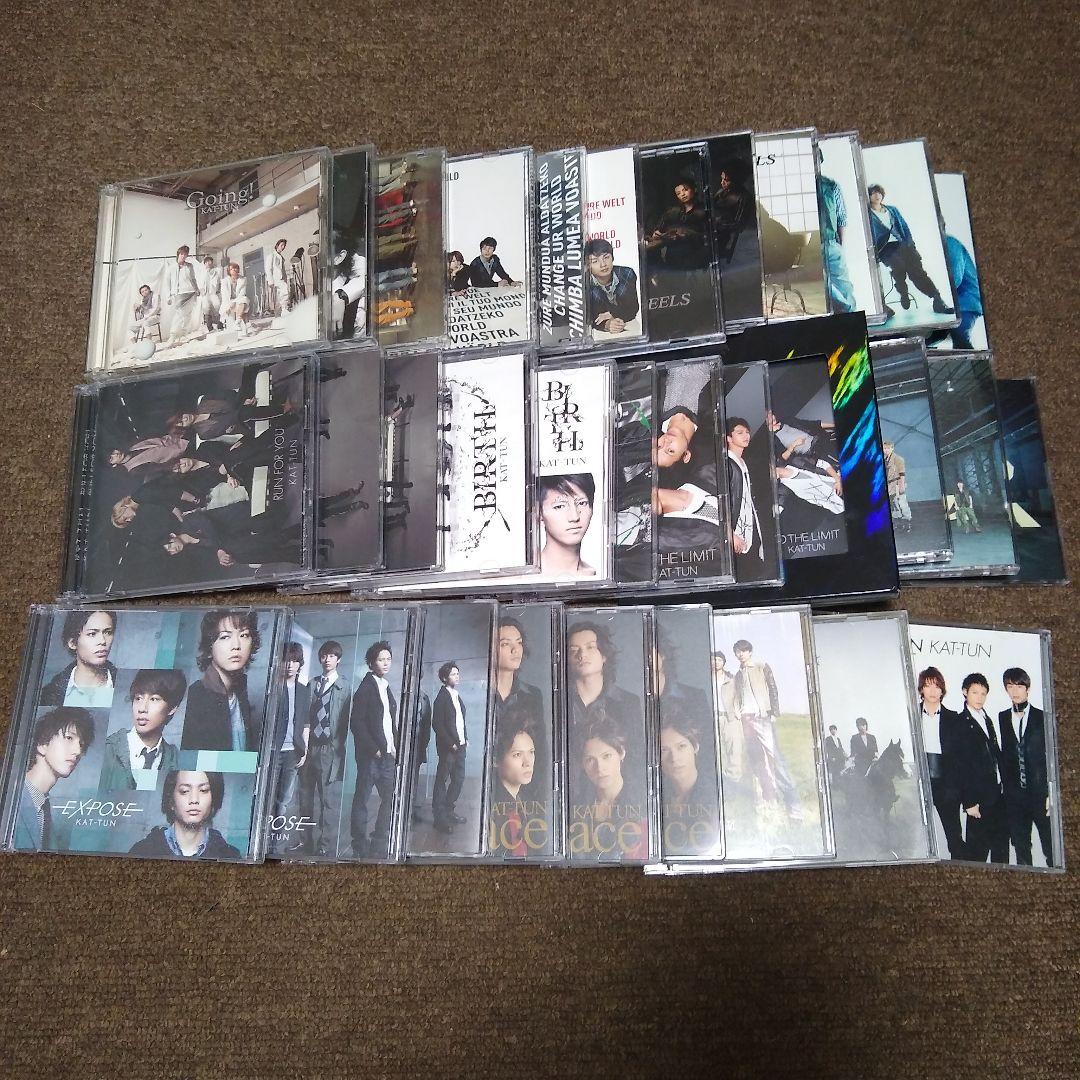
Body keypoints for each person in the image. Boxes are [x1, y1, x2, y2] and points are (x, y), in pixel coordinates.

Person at [731, 638, 803, 820]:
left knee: (776, 759)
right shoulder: (738, 675)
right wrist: (738, 712)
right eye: (737, 651)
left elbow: (773, 689)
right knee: (756, 762)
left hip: (762, 718)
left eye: (743, 650)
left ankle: (794, 808)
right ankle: (768, 802)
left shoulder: (762, 667)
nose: (740, 654)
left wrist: (774, 712)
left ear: (750, 652)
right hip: (746, 720)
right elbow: (737, 696)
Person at [295, 641, 352, 856]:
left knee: (327, 800)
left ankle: (324, 845)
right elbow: (304, 715)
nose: (327, 659)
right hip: (309, 748)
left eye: (332, 656)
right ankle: (304, 841)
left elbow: (347, 721)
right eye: (324, 656)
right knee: (304, 797)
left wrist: (337, 747)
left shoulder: (344, 687)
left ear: (339, 659)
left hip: (329, 750)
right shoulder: (312, 684)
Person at [866, 183, 954, 316]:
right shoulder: (867, 214)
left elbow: (904, 227)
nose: (877, 195)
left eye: (879, 192)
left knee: (918, 272)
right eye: (873, 193)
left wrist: (910, 244)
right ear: (869, 196)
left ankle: (938, 300)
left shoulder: (892, 210)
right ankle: (903, 293)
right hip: (885, 248)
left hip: (902, 244)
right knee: (898, 267)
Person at [14, 707, 95, 851]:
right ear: (43, 744)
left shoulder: (45, 808)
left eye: (81, 744)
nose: (77, 751)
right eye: (69, 738)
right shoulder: (10, 796)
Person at [181, 609, 262, 752]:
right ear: (210, 646)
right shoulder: (196, 696)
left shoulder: (240, 694)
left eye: (244, 635)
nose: (236, 645)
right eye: (225, 637)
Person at [998, 667, 1053, 867]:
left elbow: (1051, 757)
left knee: (1050, 846)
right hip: (1014, 797)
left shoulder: (1043, 717)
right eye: (1010, 686)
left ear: (1027, 689)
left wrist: (1050, 793)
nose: (1015, 691)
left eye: (1019, 686)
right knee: (1021, 847)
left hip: (1040, 795)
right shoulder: (1003, 717)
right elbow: (1006, 755)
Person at [349, 640, 399, 858]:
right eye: (381, 659)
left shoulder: (385, 686)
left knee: (390, 797)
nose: (386, 663)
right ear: (371, 663)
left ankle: (379, 839)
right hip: (371, 757)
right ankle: (359, 844)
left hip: (387, 755)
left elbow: (389, 722)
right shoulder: (366, 688)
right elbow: (356, 723)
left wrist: (394, 746)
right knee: (362, 799)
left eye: (388, 659)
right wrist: (374, 750)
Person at [953, 672, 1009, 863]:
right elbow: (959, 766)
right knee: (977, 854)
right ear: (965, 692)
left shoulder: (986, 718)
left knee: (1001, 851)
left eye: (983, 693)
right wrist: (969, 802)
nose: (979, 697)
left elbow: (995, 754)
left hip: (998, 795)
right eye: (975, 692)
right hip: (978, 800)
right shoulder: (960, 723)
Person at [98, 669, 185, 791]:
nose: (142, 708)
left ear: (172, 708)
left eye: (154, 699)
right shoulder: (107, 750)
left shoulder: (176, 760)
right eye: (138, 698)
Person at [128, 770, 242, 860]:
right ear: (171, 800)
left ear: (214, 799)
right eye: (184, 791)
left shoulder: (230, 855)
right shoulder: (142, 851)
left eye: (203, 790)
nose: (194, 800)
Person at [917, 666, 965, 860]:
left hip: (947, 784)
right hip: (920, 783)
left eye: (937, 686)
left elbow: (960, 757)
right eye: (928, 686)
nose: (933, 691)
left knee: (954, 836)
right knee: (918, 836)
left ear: (942, 690)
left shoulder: (954, 718)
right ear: (921, 689)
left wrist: (955, 787)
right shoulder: (911, 716)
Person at [494, 617, 546, 790]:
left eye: (519, 642)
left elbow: (540, 747)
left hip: (520, 788)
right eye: (505, 644)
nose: (515, 649)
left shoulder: (533, 695)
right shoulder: (477, 691)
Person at [39, 610, 117, 708]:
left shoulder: (122, 683)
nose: (102, 641)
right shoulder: (51, 693)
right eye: (92, 634)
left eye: (108, 632)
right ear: (72, 642)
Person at [487, 715, 537, 856]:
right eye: (517, 755)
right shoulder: (491, 806)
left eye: (531, 752)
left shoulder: (527, 800)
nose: (527, 762)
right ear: (496, 760)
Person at [272, 641, 310, 819]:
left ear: (299, 664)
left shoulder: (303, 690)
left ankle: (276, 831)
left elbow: (306, 723)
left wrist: (304, 750)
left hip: (293, 750)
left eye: (294, 661)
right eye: (286, 660)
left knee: (284, 798)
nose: (290, 665)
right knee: (268, 793)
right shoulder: (273, 688)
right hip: (273, 749)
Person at [816, 148, 856, 313]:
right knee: (820, 286)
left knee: (844, 287)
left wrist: (840, 246)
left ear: (820, 161)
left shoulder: (831, 185)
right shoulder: (795, 186)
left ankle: (849, 315)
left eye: (816, 158)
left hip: (831, 243)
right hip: (807, 247)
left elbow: (841, 218)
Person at [431, 661, 468, 835]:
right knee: (442, 781)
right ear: (445, 678)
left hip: (460, 746)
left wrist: (465, 738)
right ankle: (439, 819)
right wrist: (450, 743)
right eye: (453, 674)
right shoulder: (442, 697)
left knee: (458, 779)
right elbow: (437, 724)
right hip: (448, 748)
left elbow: (460, 721)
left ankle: (448, 811)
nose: (457, 676)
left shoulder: (456, 695)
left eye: (457, 673)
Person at [537, 473, 596, 577]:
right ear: (539, 513)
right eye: (559, 506)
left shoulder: (595, 575)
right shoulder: (526, 577)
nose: (574, 517)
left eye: (582, 503)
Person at [725, 415, 764, 571]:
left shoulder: (743, 462)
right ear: (728, 438)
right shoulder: (727, 464)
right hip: (735, 531)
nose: (746, 435)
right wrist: (730, 534)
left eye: (747, 432)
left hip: (750, 525)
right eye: (740, 432)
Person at [646, 179, 708, 269]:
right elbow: (661, 226)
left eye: (685, 190)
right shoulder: (674, 211)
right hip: (674, 254)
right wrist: (658, 232)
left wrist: (684, 234)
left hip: (694, 251)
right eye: (678, 193)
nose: (682, 194)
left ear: (693, 189)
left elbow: (703, 233)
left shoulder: (703, 210)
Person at [584, 237, 639, 334]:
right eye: (595, 261)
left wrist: (613, 313)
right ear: (588, 265)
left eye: (606, 257)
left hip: (630, 325)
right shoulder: (584, 284)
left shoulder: (627, 274)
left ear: (612, 258)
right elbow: (590, 316)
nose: (603, 265)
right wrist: (608, 324)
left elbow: (633, 307)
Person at [164, 245, 202, 342]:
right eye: (182, 254)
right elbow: (167, 283)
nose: (183, 256)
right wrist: (168, 296)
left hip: (190, 292)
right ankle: (173, 335)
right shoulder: (171, 268)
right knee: (179, 314)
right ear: (178, 254)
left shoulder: (189, 266)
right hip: (178, 293)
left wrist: (197, 289)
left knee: (188, 314)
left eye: (185, 254)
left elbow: (193, 279)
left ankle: (184, 333)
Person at [883, 441, 912, 533]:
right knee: (893, 505)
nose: (886, 450)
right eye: (884, 448)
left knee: (902, 503)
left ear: (892, 448)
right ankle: (899, 523)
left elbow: (902, 473)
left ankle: (907, 523)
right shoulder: (884, 459)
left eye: (888, 448)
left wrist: (902, 485)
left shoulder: (898, 459)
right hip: (889, 485)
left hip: (897, 483)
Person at [220, 262, 250, 336]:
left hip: (239, 300)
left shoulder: (243, 279)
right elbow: (224, 296)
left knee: (243, 300)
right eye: (231, 269)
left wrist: (235, 302)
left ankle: (238, 322)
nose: (234, 270)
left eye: (235, 268)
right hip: (228, 302)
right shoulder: (224, 281)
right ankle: (240, 326)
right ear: (229, 271)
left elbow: (242, 293)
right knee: (231, 320)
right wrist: (229, 306)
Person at [268, 238, 290, 316]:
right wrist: (270, 281)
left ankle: (282, 311)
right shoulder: (272, 255)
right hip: (276, 278)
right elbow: (268, 268)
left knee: (282, 294)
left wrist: (285, 278)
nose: (283, 247)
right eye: (282, 245)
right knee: (283, 292)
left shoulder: (281, 257)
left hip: (281, 278)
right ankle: (283, 310)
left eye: (284, 246)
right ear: (277, 245)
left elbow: (282, 269)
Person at [200, 256, 223, 332]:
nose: (209, 263)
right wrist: (201, 290)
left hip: (213, 293)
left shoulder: (217, 271)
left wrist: (219, 289)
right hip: (205, 294)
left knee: (217, 306)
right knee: (206, 309)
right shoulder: (202, 272)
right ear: (204, 264)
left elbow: (220, 281)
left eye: (210, 261)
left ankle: (220, 325)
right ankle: (210, 328)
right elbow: (200, 283)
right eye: (207, 262)